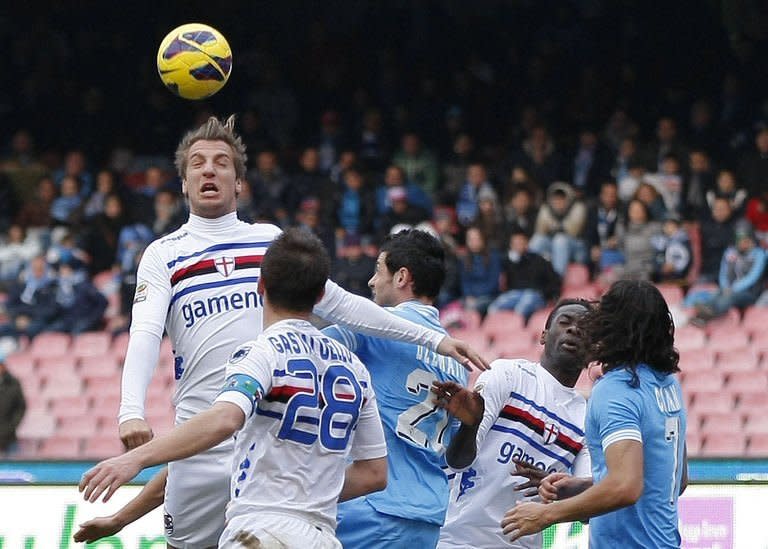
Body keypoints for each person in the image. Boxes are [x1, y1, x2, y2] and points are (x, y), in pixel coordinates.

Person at [115, 115, 486, 549]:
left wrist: (435, 338)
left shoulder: (269, 240)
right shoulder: (164, 254)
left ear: (239, 183)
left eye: (221, 163)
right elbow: (144, 332)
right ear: (183, 183)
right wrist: (130, 410)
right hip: (201, 440)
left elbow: (343, 305)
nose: (209, 170)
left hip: (268, 440)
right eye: (196, 163)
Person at [79, 229, 388, 548]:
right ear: (322, 295)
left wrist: (136, 459)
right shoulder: (355, 369)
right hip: (321, 537)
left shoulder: (260, 354)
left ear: (260, 286)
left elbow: (224, 420)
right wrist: (307, 497)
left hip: (258, 531)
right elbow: (374, 474)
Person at [501, 280, 688, 548]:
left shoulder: (616, 389)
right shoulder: (670, 386)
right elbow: (677, 480)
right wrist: (585, 485)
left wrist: (546, 515)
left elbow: (626, 486)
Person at [323, 229, 468, 548]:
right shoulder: (458, 362)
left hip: (371, 507)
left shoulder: (372, 327)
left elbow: (303, 352)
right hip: (427, 516)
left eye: (378, 270)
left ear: (402, 277)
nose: (372, 282)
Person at [433, 299, 593, 548]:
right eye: (565, 323)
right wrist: (471, 424)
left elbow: (588, 508)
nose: (573, 330)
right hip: (459, 538)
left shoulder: (587, 419)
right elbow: (459, 461)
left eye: (584, 328)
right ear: (543, 336)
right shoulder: (506, 375)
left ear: (592, 352)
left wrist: (555, 488)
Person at [0, 351, 26, 455]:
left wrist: (11, 426)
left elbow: (21, 407)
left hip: (9, 437)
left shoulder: (13, 384)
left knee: (13, 466)